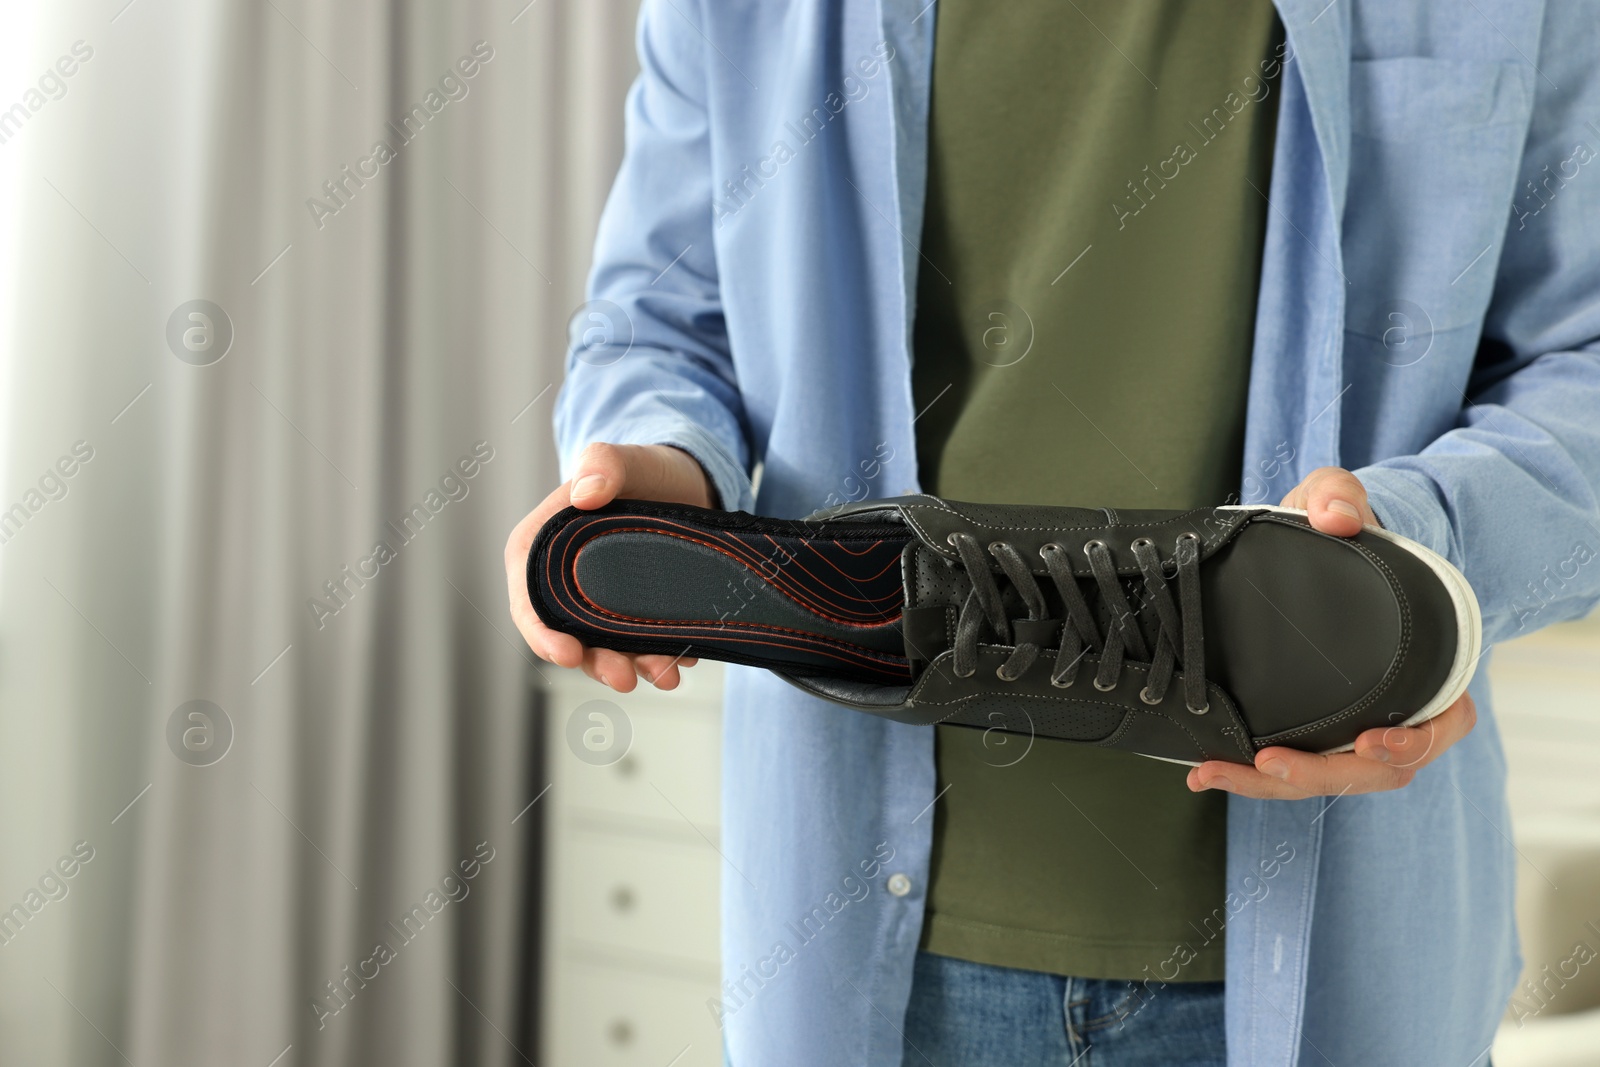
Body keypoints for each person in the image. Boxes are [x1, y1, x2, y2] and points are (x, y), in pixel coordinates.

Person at [507, 2, 1600, 1063]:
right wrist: (653, 460)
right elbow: (656, 318)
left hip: (1340, 950)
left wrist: (1413, 551)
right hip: (867, 950)